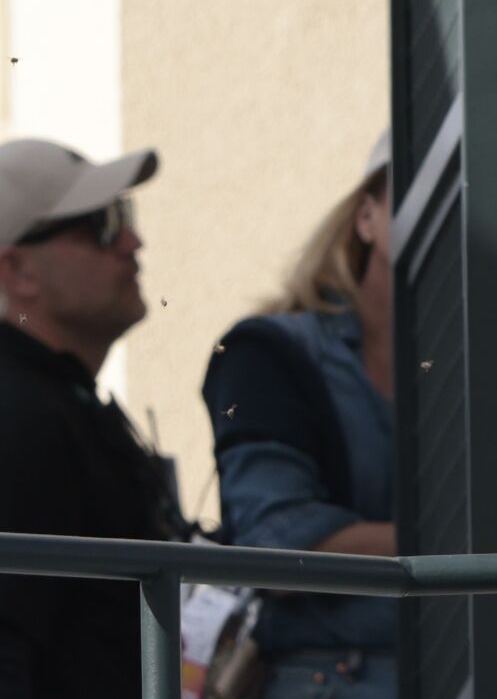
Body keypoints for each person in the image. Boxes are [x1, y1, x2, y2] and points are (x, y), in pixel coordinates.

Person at [203, 132, 397, 698]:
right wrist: (481, 546)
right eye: (425, 185)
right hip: (329, 677)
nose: (455, 203)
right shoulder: (269, 353)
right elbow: (276, 544)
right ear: (366, 216)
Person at [0, 137, 184, 697]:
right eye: (102, 224)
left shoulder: (56, 399)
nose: (133, 241)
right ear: (17, 269)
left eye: (124, 216)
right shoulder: (18, 413)